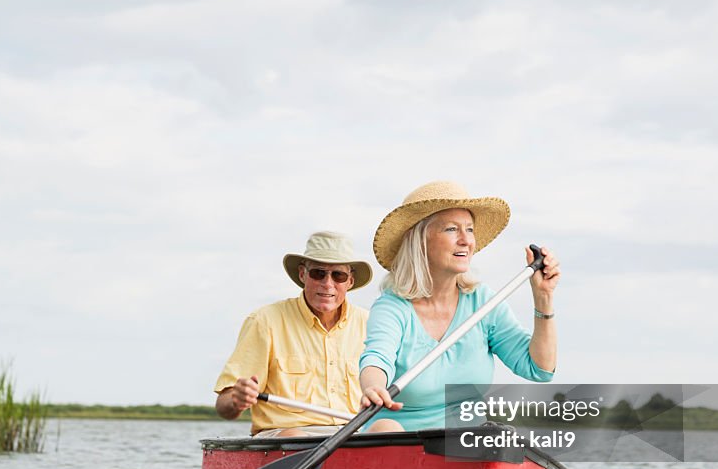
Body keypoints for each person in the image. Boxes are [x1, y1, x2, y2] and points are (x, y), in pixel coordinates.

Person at [359, 181, 560, 430]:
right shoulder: (393, 307)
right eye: (452, 229)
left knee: (500, 436)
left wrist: (543, 297)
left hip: (462, 445)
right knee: (385, 427)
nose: (466, 240)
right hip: (397, 442)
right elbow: (377, 359)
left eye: (470, 229)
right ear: (420, 241)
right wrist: (373, 387)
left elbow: (539, 369)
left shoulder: (484, 303)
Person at [214, 231, 377, 437]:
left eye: (338, 275)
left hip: (356, 435)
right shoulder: (265, 320)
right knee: (294, 436)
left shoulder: (371, 324)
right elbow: (223, 406)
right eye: (318, 273)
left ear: (350, 282)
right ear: (302, 275)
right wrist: (237, 400)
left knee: (389, 428)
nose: (328, 283)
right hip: (286, 438)